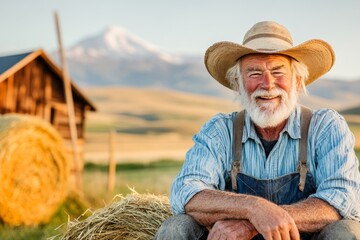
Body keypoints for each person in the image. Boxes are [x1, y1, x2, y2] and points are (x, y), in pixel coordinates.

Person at [154, 21, 360, 240]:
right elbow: (186, 193)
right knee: (176, 227)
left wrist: (256, 224)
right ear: (237, 82)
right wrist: (254, 208)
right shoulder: (220, 130)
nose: (268, 84)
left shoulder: (326, 127)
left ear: (297, 81)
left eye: (278, 72)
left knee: (346, 232)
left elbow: (342, 199)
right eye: (254, 73)